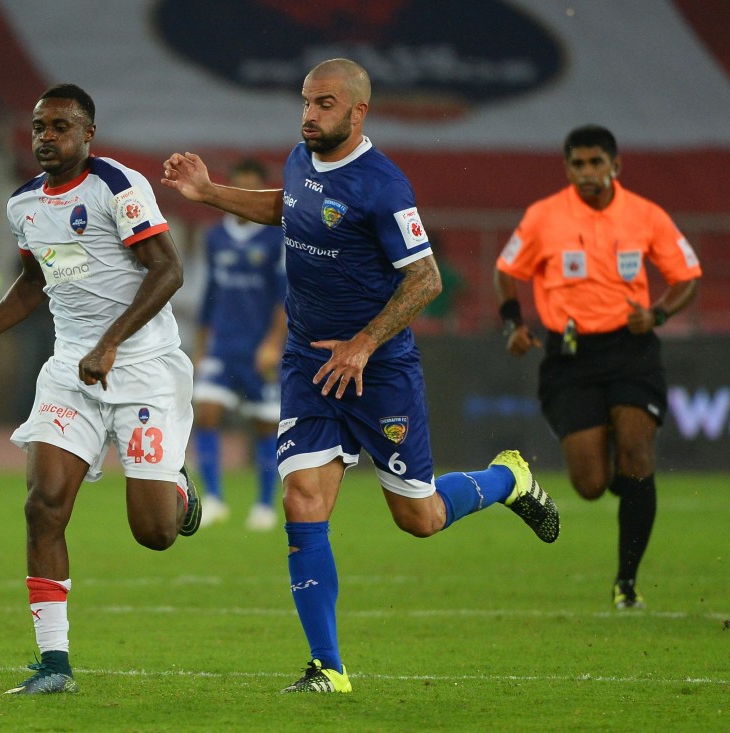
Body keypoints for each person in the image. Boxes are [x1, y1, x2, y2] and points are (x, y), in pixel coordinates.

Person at [162, 58, 560, 694]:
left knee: (419, 518)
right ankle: (329, 667)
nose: (308, 115)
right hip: (307, 362)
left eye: (323, 104)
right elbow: (286, 207)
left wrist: (365, 344)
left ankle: (507, 479)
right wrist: (210, 193)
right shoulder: (300, 159)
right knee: (303, 500)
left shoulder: (383, 186)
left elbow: (425, 278)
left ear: (358, 111)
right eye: (305, 102)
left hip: (378, 371)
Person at [0, 84, 200, 695]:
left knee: (154, 533)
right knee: (43, 505)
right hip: (70, 371)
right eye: (39, 127)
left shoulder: (117, 186)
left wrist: (111, 343)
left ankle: (177, 488)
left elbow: (168, 269)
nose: (46, 137)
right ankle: (54, 665)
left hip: (144, 367)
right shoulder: (23, 203)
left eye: (60, 126)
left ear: (88, 133)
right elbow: (33, 283)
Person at [494, 124, 702, 610]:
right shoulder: (544, 216)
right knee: (589, 485)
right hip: (570, 355)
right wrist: (513, 325)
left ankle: (626, 582)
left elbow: (687, 276)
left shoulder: (646, 215)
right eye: (578, 164)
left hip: (631, 350)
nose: (587, 172)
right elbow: (506, 271)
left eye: (595, 162)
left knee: (637, 453)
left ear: (615, 165)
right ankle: (611, 449)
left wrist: (658, 315)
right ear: (567, 169)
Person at [193, 158, 287, 531]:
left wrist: (273, 343)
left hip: (259, 348)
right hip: (222, 345)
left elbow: (284, 296)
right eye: (239, 186)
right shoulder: (215, 236)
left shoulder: (276, 237)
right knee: (206, 411)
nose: (245, 194)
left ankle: (264, 505)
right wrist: (201, 346)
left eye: (252, 187)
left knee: (265, 426)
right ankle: (214, 499)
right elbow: (210, 292)